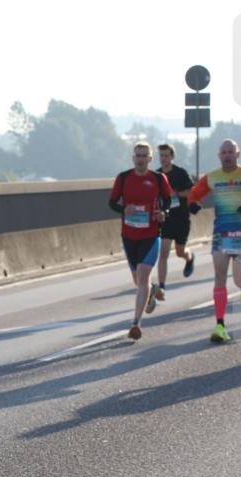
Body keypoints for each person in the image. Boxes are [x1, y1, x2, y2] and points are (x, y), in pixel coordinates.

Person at [188, 140, 241, 342]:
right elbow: (194, 194)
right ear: (219, 155)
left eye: (231, 152)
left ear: (238, 153)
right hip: (220, 232)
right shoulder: (213, 176)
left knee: (237, 279)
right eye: (224, 152)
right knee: (219, 275)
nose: (227, 156)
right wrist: (193, 204)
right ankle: (220, 326)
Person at [108, 141, 172, 340]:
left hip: (151, 235)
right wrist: (123, 210)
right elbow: (111, 202)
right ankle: (152, 290)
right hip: (129, 236)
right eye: (138, 155)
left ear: (150, 159)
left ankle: (136, 323)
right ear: (133, 157)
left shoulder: (159, 179)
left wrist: (163, 213)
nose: (141, 159)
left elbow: (168, 201)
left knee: (143, 277)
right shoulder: (124, 177)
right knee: (138, 281)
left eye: (145, 156)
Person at [155, 143, 196, 299]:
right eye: (161, 156)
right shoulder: (157, 175)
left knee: (180, 252)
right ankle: (162, 286)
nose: (164, 159)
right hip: (165, 219)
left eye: (166, 155)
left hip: (181, 219)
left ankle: (189, 257)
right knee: (163, 252)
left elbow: (191, 192)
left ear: (172, 156)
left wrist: (176, 193)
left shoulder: (180, 173)